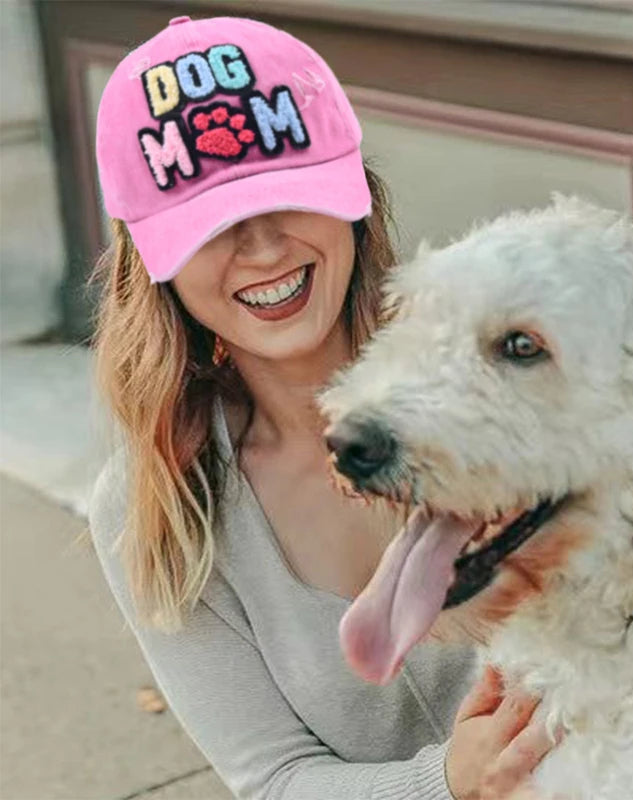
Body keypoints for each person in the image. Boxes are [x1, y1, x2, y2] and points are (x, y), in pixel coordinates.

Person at [88, 15, 561, 800]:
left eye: (288, 197)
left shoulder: (508, 367)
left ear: (353, 198)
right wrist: (447, 781)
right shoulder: (160, 505)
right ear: (154, 261)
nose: (266, 247)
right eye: (210, 224)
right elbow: (273, 778)